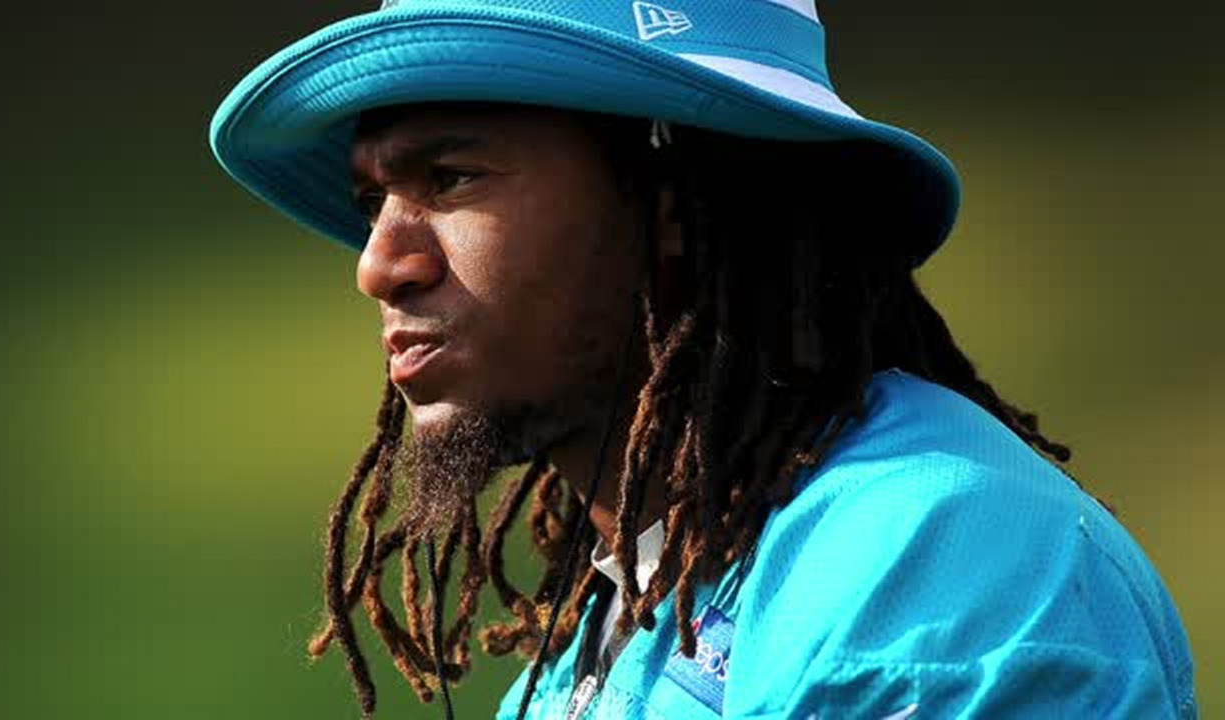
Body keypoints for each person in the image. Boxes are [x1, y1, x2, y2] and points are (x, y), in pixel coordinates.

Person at [210, 1, 1197, 718]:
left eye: (450, 176)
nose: (381, 264)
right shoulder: (614, 620)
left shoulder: (937, 574)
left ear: (674, 197)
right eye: (370, 202)